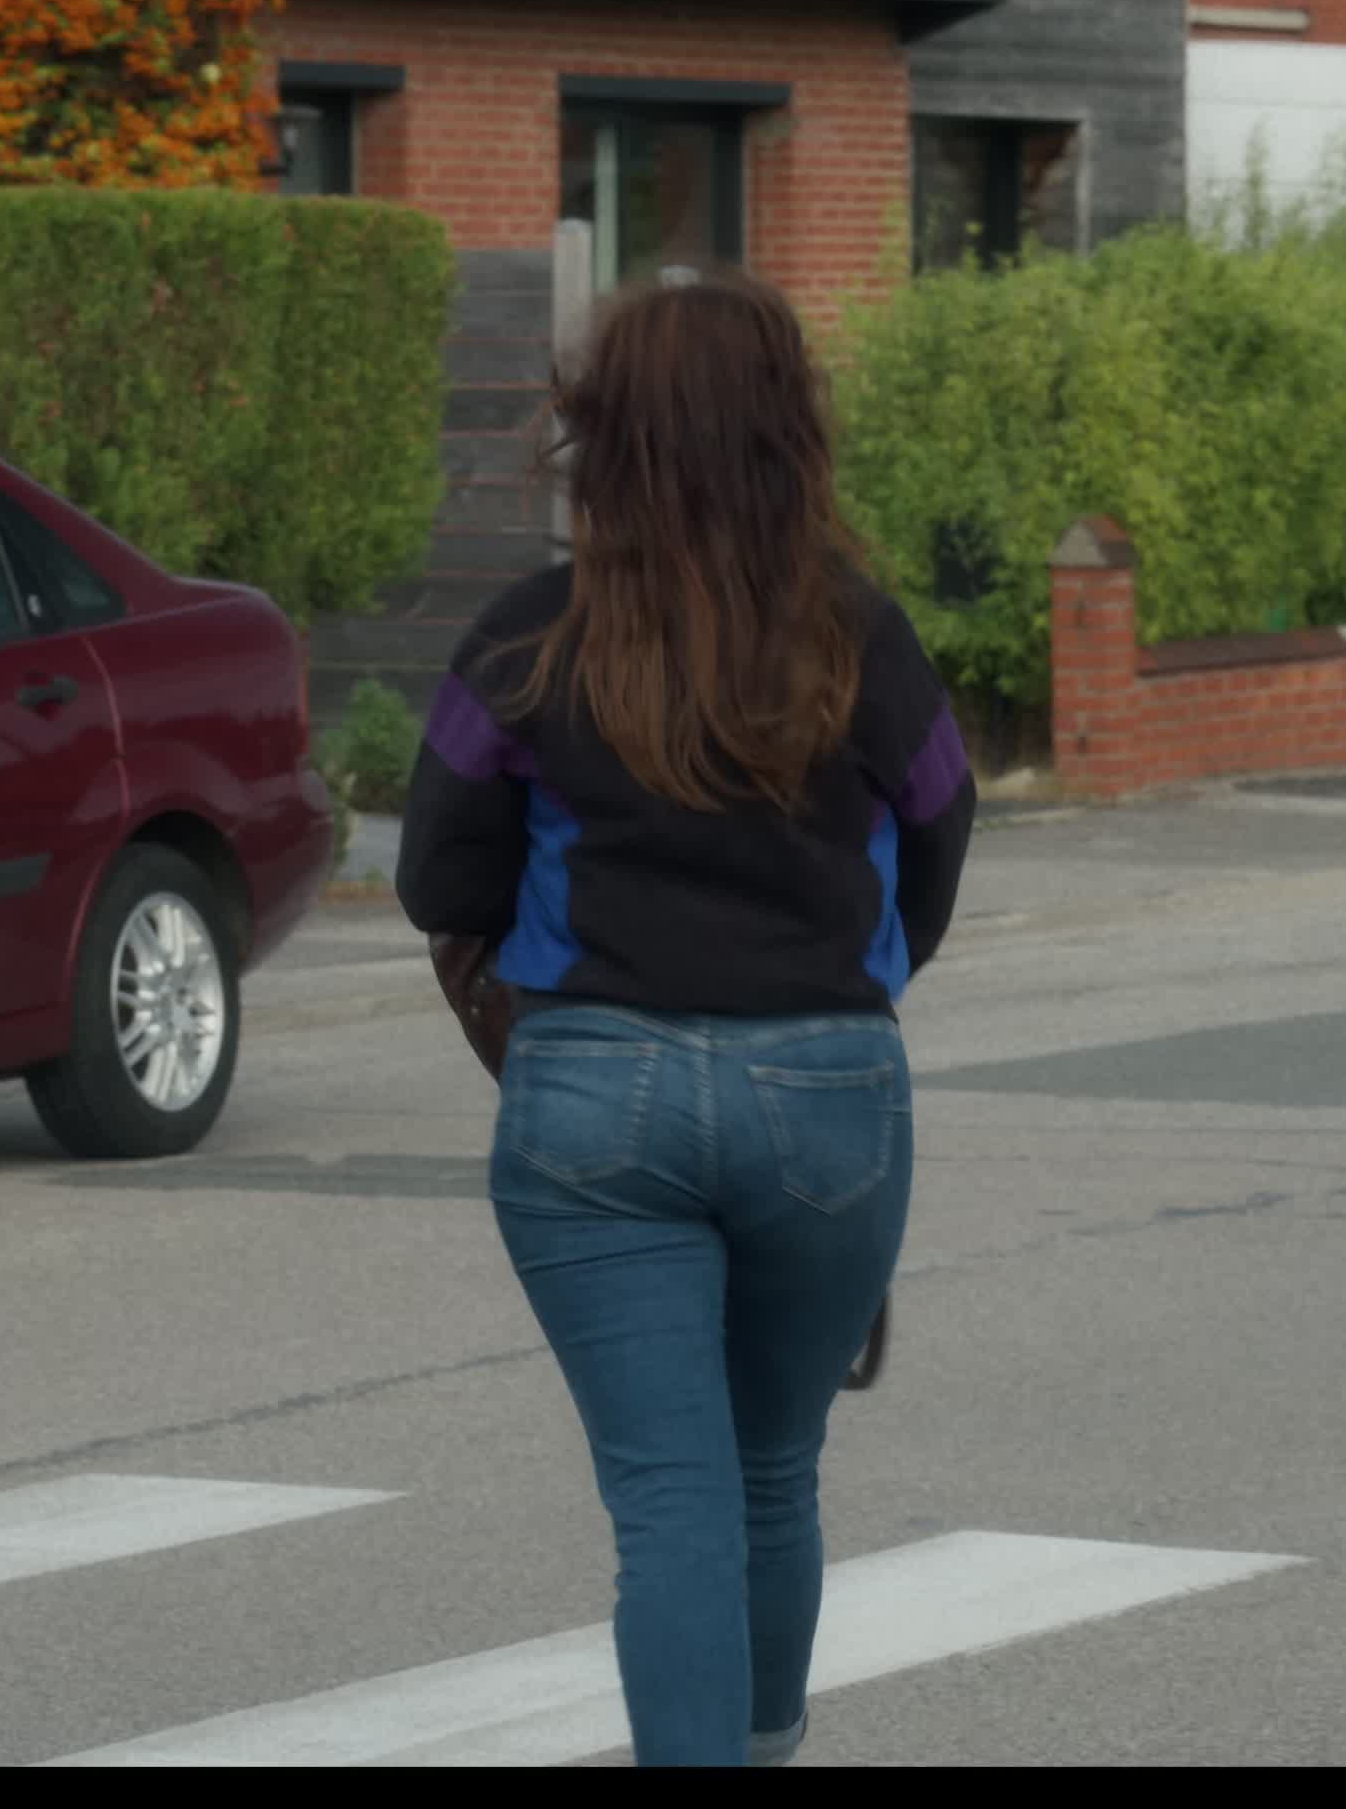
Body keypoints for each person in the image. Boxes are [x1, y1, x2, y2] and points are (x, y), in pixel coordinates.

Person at [397, 264, 976, 1767]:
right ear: (791, 430)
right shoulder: (864, 637)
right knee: (773, 1472)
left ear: (605, 432)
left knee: (672, 1499)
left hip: (591, 1093)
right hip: (829, 1091)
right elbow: (942, 824)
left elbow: (433, 876)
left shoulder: (522, 639)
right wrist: (852, 979)